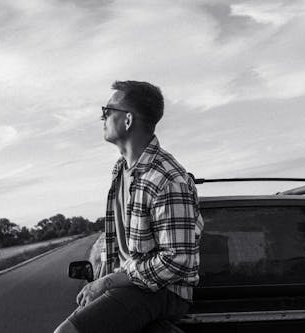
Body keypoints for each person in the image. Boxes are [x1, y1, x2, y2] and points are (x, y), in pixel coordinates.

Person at [54, 80, 203, 333]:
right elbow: (120, 247)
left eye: (107, 110)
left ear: (128, 120)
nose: (102, 117)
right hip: (130, 285)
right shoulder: (120, 170)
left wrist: (109, 282)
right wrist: (103, 281)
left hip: (165, 290)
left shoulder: (167, 179)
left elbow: (176, 260)